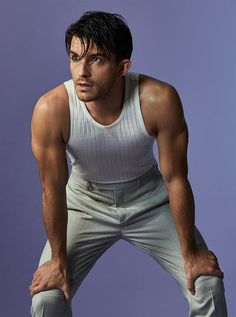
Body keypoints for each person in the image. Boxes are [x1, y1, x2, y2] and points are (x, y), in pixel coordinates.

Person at [29, 11, 227, 317]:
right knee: (47, 300)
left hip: (149, 200)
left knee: (206, 285)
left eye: (96, 59)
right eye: (75, 56)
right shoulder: (51, 109)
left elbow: (175, 178)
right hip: (84, 202)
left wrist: (191, 253)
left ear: (123, 67)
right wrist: (57, 261)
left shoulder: (158, 100)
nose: (81, 71)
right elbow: (51, 188)